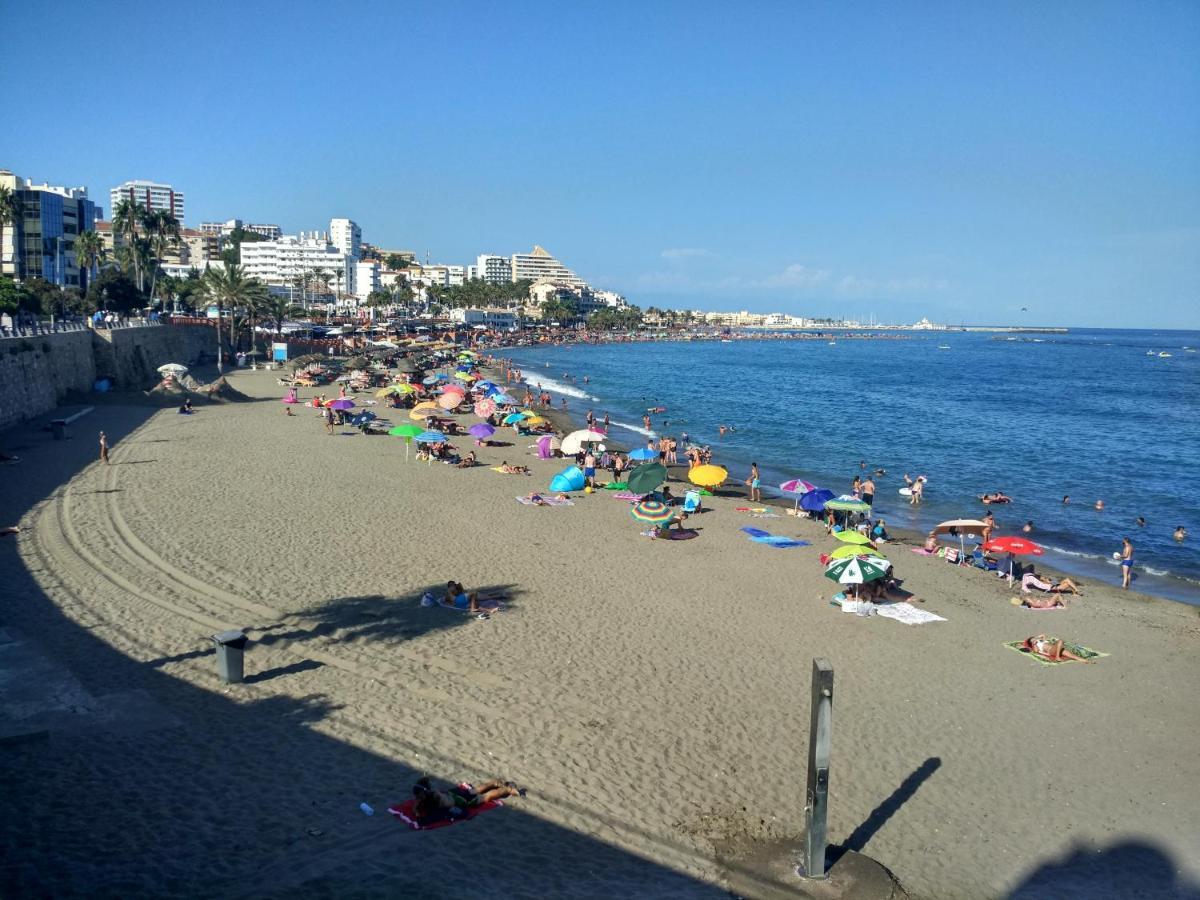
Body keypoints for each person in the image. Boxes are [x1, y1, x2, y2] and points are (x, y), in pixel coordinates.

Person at [411, 776, 524, 822]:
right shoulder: (431, 793)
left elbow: (436, 815)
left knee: (486, 796)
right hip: (453, 793)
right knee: (475, 790)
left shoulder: (431, 802)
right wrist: (416, 811)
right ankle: (494, 782)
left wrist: (421, 819)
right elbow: (417, 804)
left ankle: (509, 790)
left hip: (460, 801)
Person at [1017, 635, 1095, 663]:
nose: (1034, 639)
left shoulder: (1040, 640)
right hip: (1052, 651)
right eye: (1032, 640)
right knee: (1060, 641)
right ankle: (1057, 657)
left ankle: (1087, 661)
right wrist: (1033, 644)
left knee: (1073, 656)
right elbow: (1036, 651)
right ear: (1031, 643)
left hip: (1056, 649)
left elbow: (1043, 635)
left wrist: (1036, 638)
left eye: (1034, 639)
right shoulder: (1035, 645)